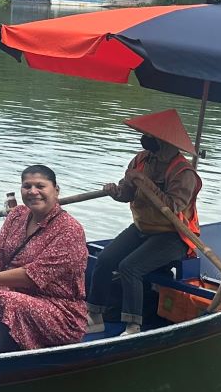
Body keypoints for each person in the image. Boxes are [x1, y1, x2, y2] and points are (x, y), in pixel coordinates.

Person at [86, 110, 204, 336]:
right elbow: (127, 193)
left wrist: (145, 182)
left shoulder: (184, 173)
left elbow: (172, 209)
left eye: (153, 137)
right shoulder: (141, 160)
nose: (146, 140)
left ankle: (133, 325)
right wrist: (115, 192)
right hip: (143, 228)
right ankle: (95, 314)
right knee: (105, 259)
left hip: (173, 235)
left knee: (130, 267)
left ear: (166, 143)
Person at [0, 164, 88, 352]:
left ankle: (5, 355)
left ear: (56, 190)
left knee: (10, 303)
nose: (33, 192)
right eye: (27, 186)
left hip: (60, 310)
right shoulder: (18, 215)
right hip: (15, 293)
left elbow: (34, 275)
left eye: (40, 186)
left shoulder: (69, 230)